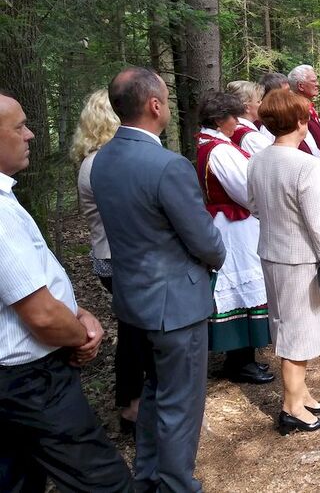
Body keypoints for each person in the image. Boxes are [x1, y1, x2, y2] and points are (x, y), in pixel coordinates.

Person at [92, 67, 226, 492]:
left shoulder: (102, 160)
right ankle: (175, 484)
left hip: (134, 300)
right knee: (181, 403)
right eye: (166, 99)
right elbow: (205, 241)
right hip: (176, 306)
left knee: (153, 392)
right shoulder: (167, 166)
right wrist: (217, 254)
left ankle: (148, 476)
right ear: (154, 105)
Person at [0, 91, 133, 492]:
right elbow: (40, 314)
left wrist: (76, 313)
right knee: (104, 481)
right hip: (30, 380)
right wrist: (82, 337)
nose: (31, 135)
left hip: (22, 379)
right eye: (19, 126)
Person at [247, 89, 320, 435]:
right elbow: (319, 223)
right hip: (302, 260)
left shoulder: (257, 159)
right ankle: (290, 407)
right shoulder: (306, 165)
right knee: (298, 330)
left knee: (284, 322)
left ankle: (301, 393)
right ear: (302, 122)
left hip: (271, 253)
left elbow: (253, 206)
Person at [72, 88, 146, 435]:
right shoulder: (101, 164)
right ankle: (132, 407)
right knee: (134, 334)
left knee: (134, 332)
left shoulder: (96, 161)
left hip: (111, 258)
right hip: (118, 260)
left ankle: (134, 403)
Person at [196, 92, 274, 385]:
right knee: (242, 289)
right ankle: (240, 361)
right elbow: (246, 191)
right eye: (233, 118)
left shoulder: (212, 145)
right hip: (233, 227)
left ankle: (243, 358)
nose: (237, 123)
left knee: (244, 288)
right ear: (219, 120)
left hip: (232, 224)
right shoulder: (220, 151)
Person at [287, 64, 320, 172]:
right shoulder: (293, 111)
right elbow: (306, 142)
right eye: (313, 81)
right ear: (301, 86)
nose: (318, 84)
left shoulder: (309, 109)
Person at [227, 80, 273, 154]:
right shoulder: (252, 137)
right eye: (258, 101)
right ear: (246, 108)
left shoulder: (228, 129)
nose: (262, 104)